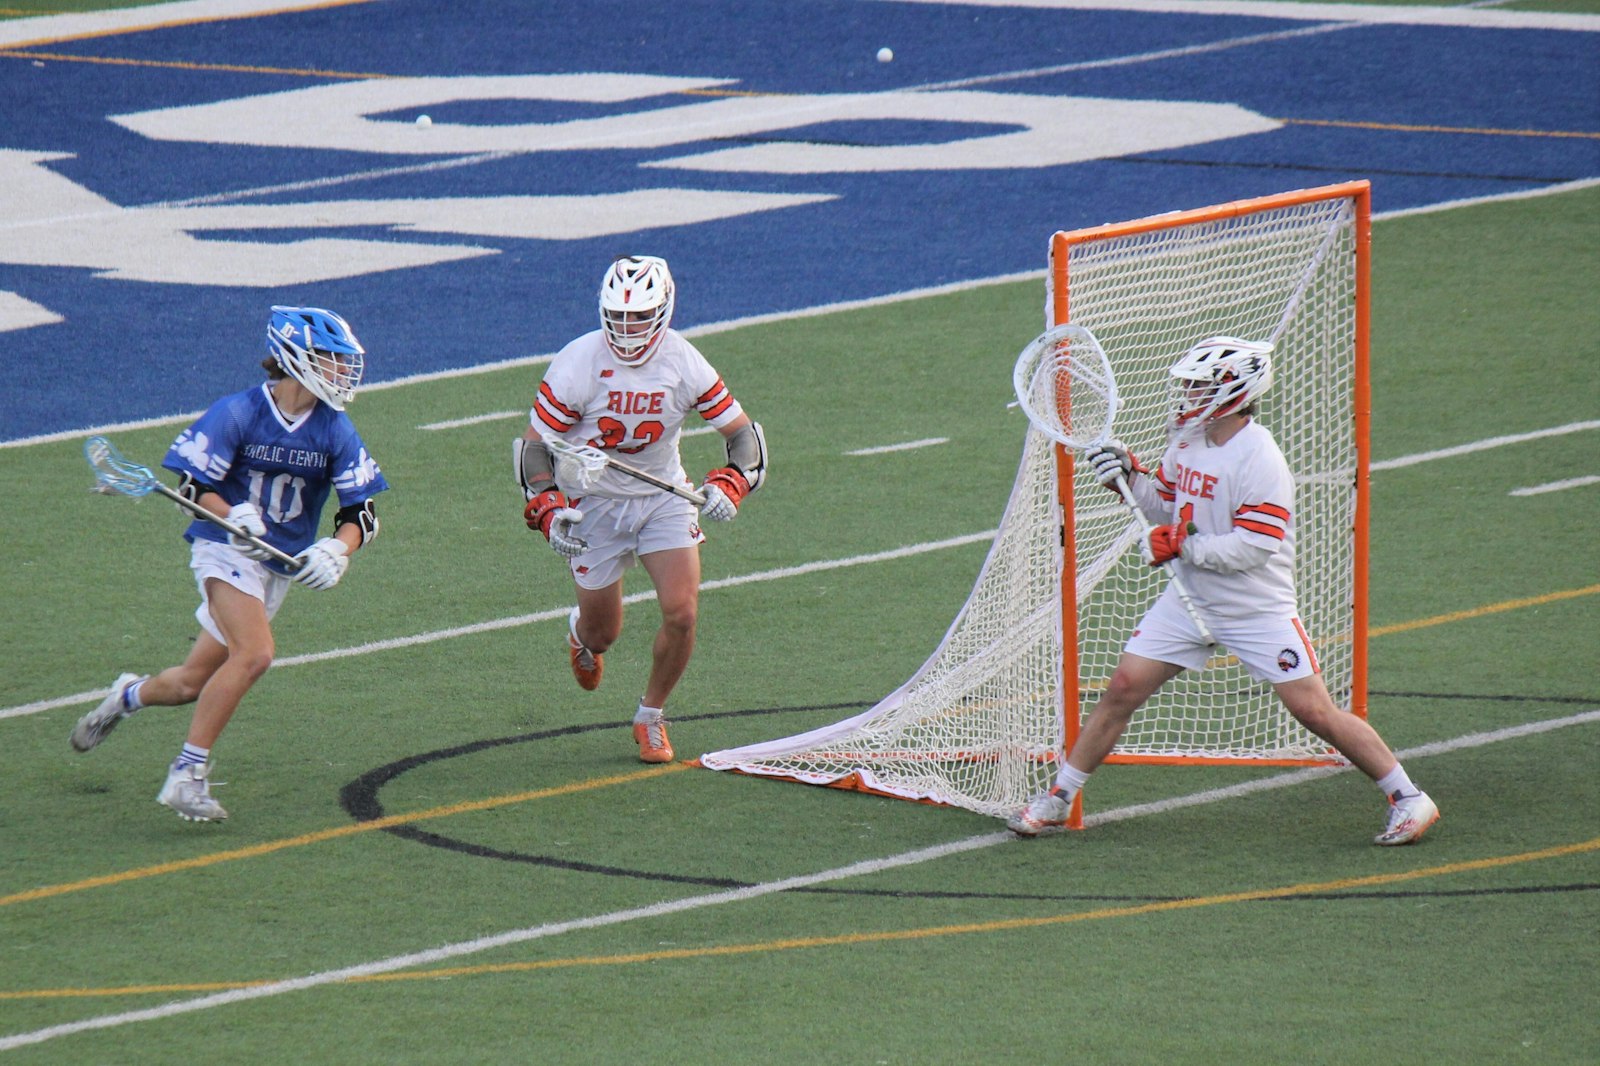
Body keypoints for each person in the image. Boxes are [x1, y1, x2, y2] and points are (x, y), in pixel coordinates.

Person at [1008, 336, 1440, 846]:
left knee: (1313, 711)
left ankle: (1409, 797)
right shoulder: (1188, 438)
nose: (1188, 393)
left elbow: (1253, 546)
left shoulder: (1260, 460)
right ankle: (1059, 797)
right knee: (1123, 687)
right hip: (1190, 601)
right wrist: (1127, 476)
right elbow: (1163, 506)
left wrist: (1180, 547)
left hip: (1255, 607)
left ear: (1233, 393)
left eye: (1200, 385)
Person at [71, 306, 389, 822]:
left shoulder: (335, 430)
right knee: (255, 653)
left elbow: (362, 513)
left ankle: (124, 696)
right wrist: (232, 512)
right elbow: (193, 486)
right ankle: (186, 775)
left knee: (189, 683)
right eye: (329, 359)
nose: (339, 371)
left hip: (275, 565)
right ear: (295, 358)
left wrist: (338, 550)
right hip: (225, 549)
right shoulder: (239, 412)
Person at [515, 255, 767, 763]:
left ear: (664, 310)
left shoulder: (684, 361)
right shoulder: (579, 360)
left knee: (682, 611)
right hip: (594, 505)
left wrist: (732, 482)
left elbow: (744, 436)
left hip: (661, 497)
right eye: (619, 316)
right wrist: (548, 506)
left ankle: (650, 716)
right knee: (603, 633)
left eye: (638, 316)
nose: (627, 328)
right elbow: (533, 448)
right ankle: (579, 635)